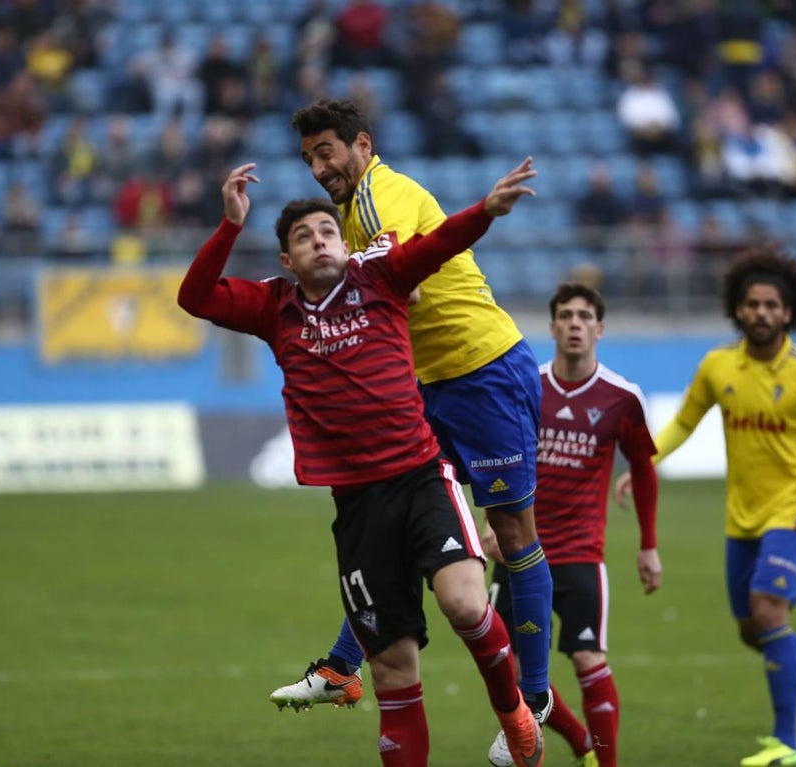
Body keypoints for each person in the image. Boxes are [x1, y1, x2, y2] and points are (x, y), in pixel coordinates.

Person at [177, 159, 546, 767]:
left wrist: (485, 210)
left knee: (463, 604)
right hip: (357, 506)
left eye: (328, 231)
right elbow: (194, 297)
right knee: (393, 668)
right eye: (303, 237)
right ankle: (349, 675)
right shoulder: (275, 307)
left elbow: (438, 243)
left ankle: (515, 714)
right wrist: (228, 226)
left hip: (423, 479)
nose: (320, 240)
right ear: (287, 262)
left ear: (344, 247)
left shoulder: (381, 278)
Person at [270, 98, 557, 738]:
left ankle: (532, 701)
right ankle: (345, 666)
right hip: (429, 384)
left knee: (513, 534)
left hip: (481, 369)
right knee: (401, 521)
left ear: (363, 146)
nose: (319, 168)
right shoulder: (342, 213)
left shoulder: (380, 196)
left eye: (328, 152)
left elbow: (407, 282)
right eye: (309, 157)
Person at [613, 246, 796, 766]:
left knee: (768, 610)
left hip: (792, 514)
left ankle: (786, 741)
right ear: (738, 308)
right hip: (740, 518)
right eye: (752, 304)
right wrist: (644, 461)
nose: (762, 313)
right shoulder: (717, 365)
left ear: (789, 311)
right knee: (756, 631)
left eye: (772, 304)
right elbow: (684, 421)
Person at [488, 283, 662, 767]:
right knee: (510, 670)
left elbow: (643, 469)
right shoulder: (527, 384)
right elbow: (499, 456)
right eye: (565, 315)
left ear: (599, 329)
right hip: (521, 552)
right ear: (552, 327)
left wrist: (648, 545)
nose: (575, 324)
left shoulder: (622, 397)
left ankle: (605, 761)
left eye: (584, 316)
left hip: (582, 555)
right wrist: (491, 521)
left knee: (588, 662)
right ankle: (580, 744)